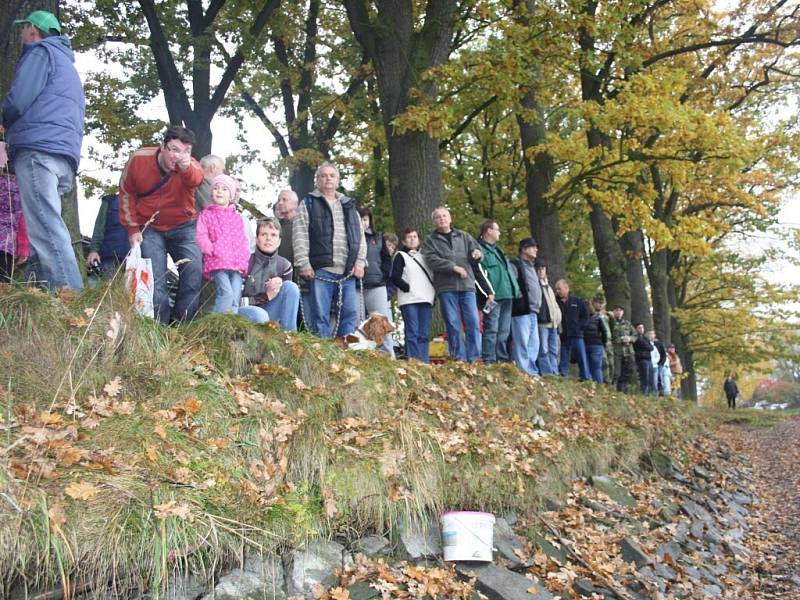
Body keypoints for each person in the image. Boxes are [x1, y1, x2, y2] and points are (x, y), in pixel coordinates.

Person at [2, 10, 85, 290]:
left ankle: (70, 299)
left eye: (23, 29)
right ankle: (40, 296)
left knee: (46, 228)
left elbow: (19, 99)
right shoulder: (67, 66)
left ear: (33, 30)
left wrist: (3, 121)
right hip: (63, 156)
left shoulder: (40, 53)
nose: (22, 35)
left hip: (39, 151)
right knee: (43, 227)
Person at [119, 126, 205, 324]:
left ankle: (182, 327)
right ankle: (159, 327)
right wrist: (132, 228)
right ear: (163, 147)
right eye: (174, 149)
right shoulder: (140, 159)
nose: (179, 156)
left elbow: (197, 178)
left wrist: (186, 167)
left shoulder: (190, 166)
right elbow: (126, 192)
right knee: (155, 280)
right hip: (149, 228)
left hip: (183, 227)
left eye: (186, 151)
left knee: (193, 272)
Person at [293, 162, 366, 338]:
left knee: (349, 315)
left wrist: (360, 262)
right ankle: (323, 357)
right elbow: (300, 233)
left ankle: (345, 357)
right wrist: (303, 263)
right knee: (320, 316)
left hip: (347, 271)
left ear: (338, 180)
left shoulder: (349, 205)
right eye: (323, 175)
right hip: (321, 270)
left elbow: (359, 236)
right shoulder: (309, 203)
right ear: (317, 180)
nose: (328, 179)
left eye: (332, 175)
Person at [422, 206, 490, 362]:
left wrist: (478, 254)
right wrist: (453, 267)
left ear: (450, 218)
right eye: (438, 217)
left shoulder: (464, 236)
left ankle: (474, 358)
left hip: (467, 286)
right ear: (434, 221)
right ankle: (459, 358)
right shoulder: (430, 240)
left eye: (444, 215)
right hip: (446, 288)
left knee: (473, 321)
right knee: (453, 324)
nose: (442, 219)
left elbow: (477, 252)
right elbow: (432, 260)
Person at [195, 174, 251, 313]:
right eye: (216, 188)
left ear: (231, 195)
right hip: (218, 262)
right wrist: (211, 249)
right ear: (211, 192)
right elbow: (201, 235)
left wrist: (244, 257)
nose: (219, 191)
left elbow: (243, 240)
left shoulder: (237, 218)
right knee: (226, 293)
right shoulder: (206, 215)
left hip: (237, 264)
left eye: (224, 189)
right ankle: (216, 323)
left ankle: (230, 326)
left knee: (235, 298)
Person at [239, 217, 300, 330]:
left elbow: (287, 301)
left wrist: (277, 290)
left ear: (279, 241)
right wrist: (266, 296)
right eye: (263, 234)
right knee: (260, 315)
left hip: (270, 311)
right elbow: (235, 302)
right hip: (247, 312)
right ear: (257, 239)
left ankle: (290, 336)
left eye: (273, 235)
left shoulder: (284, 266)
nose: (268, 239)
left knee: (291, 287)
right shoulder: (244, 262)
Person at [390, 228, 435, 362]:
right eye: (409, 237)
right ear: (404, 241)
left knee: (424, 333)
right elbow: (394, 276)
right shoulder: (400, 256)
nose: (412, 239)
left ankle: (424, 361)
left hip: (426, 298)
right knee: (412, 332)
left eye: (415, 236)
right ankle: (413, 361)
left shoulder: (426, 256)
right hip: (409, 299)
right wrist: (407, 287)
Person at [478, 220, 518, 364]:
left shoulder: (497, 250)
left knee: (504, 331)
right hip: (493, 296)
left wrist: (515, 290)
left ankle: (501, 359)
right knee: (492, 329)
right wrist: (487, 293)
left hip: (507, 294)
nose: (499, 232)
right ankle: (489, 360)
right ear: (489, 231)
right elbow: (479, 273)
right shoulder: (479, 249)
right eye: (497, 229)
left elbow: (506, 272)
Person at [359, 207, 395, 357]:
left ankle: (387, 355)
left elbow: (387, 260)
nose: (363, 222)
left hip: (376, 284)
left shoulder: (378, 238)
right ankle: (362, 354)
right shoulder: (349, 237)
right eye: (360, 219)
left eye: (366, 219)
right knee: (359, 322)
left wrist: (383, 277)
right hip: (356, 286)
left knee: (381, 322)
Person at [510, 238, 541, 375]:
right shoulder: (515, 264)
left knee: (534, 344)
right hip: (521, 310)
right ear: (524, 249)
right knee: (522, 342)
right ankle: (523, 371)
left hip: (534, 311)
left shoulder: (532, 266)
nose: (536, 249)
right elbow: (513, 284)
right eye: (533, 247)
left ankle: (531, 371)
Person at [554, 279, 591, 380]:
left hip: (577, 334)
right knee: (564, 356)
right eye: (556, 289)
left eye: (559, 289)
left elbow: (586, 316)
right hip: (564, 335)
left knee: (581, 356)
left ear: (566, 288)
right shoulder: (554, 302)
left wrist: (580, 327)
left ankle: (585, 377)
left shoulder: (577, 301)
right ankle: (563, 375)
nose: (557, 291)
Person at [85, 193, 130, 277]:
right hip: (108, 259)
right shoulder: (110, 201)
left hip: (133, 262)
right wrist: (94, 250)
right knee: (104, 287)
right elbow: (99, 227)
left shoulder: (144, 202)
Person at [0, 170, 29, 281]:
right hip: (6, 245)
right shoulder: (21, 187)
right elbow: (22, 220)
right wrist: (23, 248)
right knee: (2, 287)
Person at [535, 260, 561, 375]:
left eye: (543, 269)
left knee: (553, 350)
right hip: (543, 323)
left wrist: (558, 318)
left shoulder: (549, 287)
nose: (541, 271)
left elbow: (554, 305)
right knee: (543, 350)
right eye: (539, 269)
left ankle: (554, 372)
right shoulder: (536, 285)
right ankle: (547, 373)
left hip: (553, 324)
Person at [611, 306, 637, 392]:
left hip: (628, 351)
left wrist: (630, 339)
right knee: (617, 372)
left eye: (620, 310)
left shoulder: (627, 323)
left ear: (623, 312)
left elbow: (635, 335)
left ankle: (624, 390)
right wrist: (621, 339)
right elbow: (609, 336)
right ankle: (614, 388)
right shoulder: (611, 322)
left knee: (628, 370)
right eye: (616, 310)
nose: (618, 312)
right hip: (616, 350)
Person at [591, 295, 614, 384]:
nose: (600, 305)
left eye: (601, 303)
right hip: (599, 341)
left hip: (609, 340)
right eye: (598, 303)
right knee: (604, 363)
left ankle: (610, 382)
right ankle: (604, 381)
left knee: (611, 363)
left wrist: (612, 318)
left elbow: (612, 327)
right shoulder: (593, 315)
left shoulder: (607, 315)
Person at [583, 306, 608, 384]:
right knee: (597, 367)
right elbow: (604, 332)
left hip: (585, 344)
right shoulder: (598, 319)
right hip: (597, 344)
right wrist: (603, 343)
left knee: (586, 366)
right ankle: (599, 385)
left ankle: (588, 384)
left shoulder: (581, 319)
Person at [632, 323, 654, 394]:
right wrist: (647, 346)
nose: (641, 329)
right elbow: (647, 346)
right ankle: (643, 392)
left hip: (648, 359)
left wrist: (647, 346)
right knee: (644, 377)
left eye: (642, 328)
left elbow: (651, 347)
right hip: (642, 359)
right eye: (639, 328)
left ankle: (650, 393)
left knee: (650, 376)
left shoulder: (645, 338)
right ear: (636, 329)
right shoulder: (636, 338)